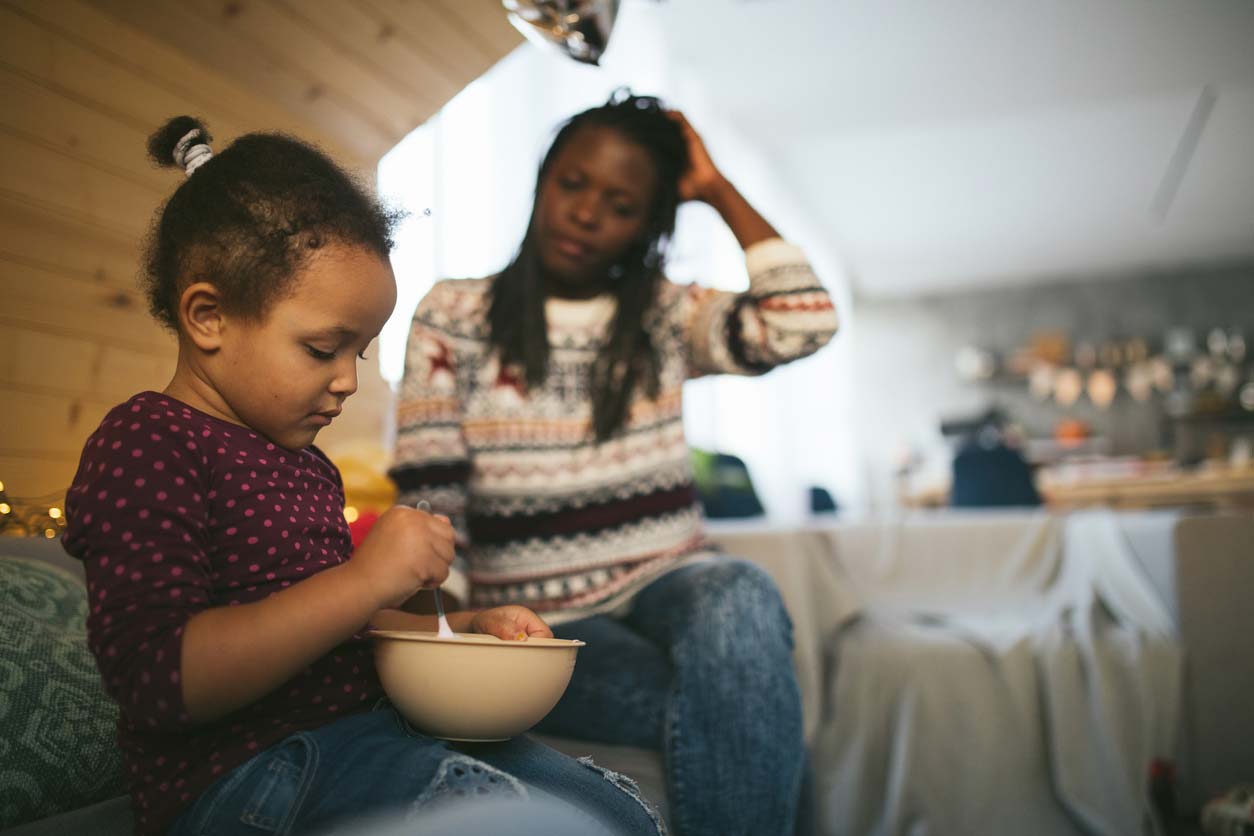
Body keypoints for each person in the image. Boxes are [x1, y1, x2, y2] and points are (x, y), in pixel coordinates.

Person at [61, 116, 664, 836]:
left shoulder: (307, 465)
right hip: (247, 771)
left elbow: (339, 629)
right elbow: (161, 682)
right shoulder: (149, 442)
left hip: (367, 736)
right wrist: (365, 578)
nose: (348, 381)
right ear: (209, 316)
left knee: (613, 811)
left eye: (363, 352)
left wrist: (466, 626)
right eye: (323, 348)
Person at [389, 90, 839, 836]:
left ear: (649, 224)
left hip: (671, 577)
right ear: (541, 181)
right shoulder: (453, 316)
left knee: (739, 590)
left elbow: (806, 322)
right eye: (572, 184)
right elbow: (434, 500)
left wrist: (719, 190)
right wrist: (453, 641)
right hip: (546, 618)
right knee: (757, 712)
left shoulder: (666, 313)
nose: (588, 213)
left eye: (622, 203)